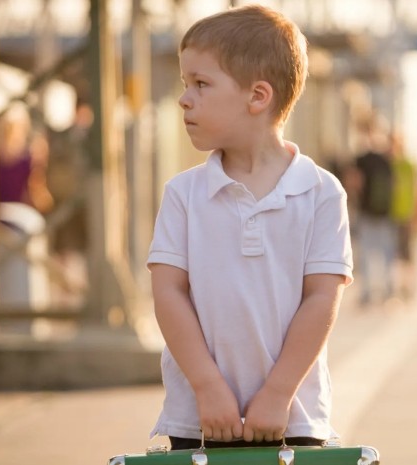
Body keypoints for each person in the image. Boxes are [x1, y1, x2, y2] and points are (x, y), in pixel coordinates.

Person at [147, 5, 353, 451]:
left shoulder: (321, 193)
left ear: (258, 96)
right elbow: (168, 293)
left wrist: (278, 394)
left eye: (200, 84)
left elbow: (322, 297)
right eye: (186, 84)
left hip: (291, 416)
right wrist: (206, 387)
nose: (184, 98)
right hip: (199, 417)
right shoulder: (183, 194)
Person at [352, 115, 396, 306]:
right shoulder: (387, 158)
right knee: (387, 253)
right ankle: (388, 291)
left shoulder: (361, 158)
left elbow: (354, 182)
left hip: (366, 211)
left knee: (366, 253)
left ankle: (368, 293)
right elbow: (394, 185)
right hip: (385, 212)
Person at [388, 129, 417, 298]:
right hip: (392, 214)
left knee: (407, 254)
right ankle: (398, 288)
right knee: (395, 253)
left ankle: (409, 286)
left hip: (406, 214)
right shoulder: (390, 165)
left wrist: (415, 214)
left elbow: (415, 190)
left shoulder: (408, 165)